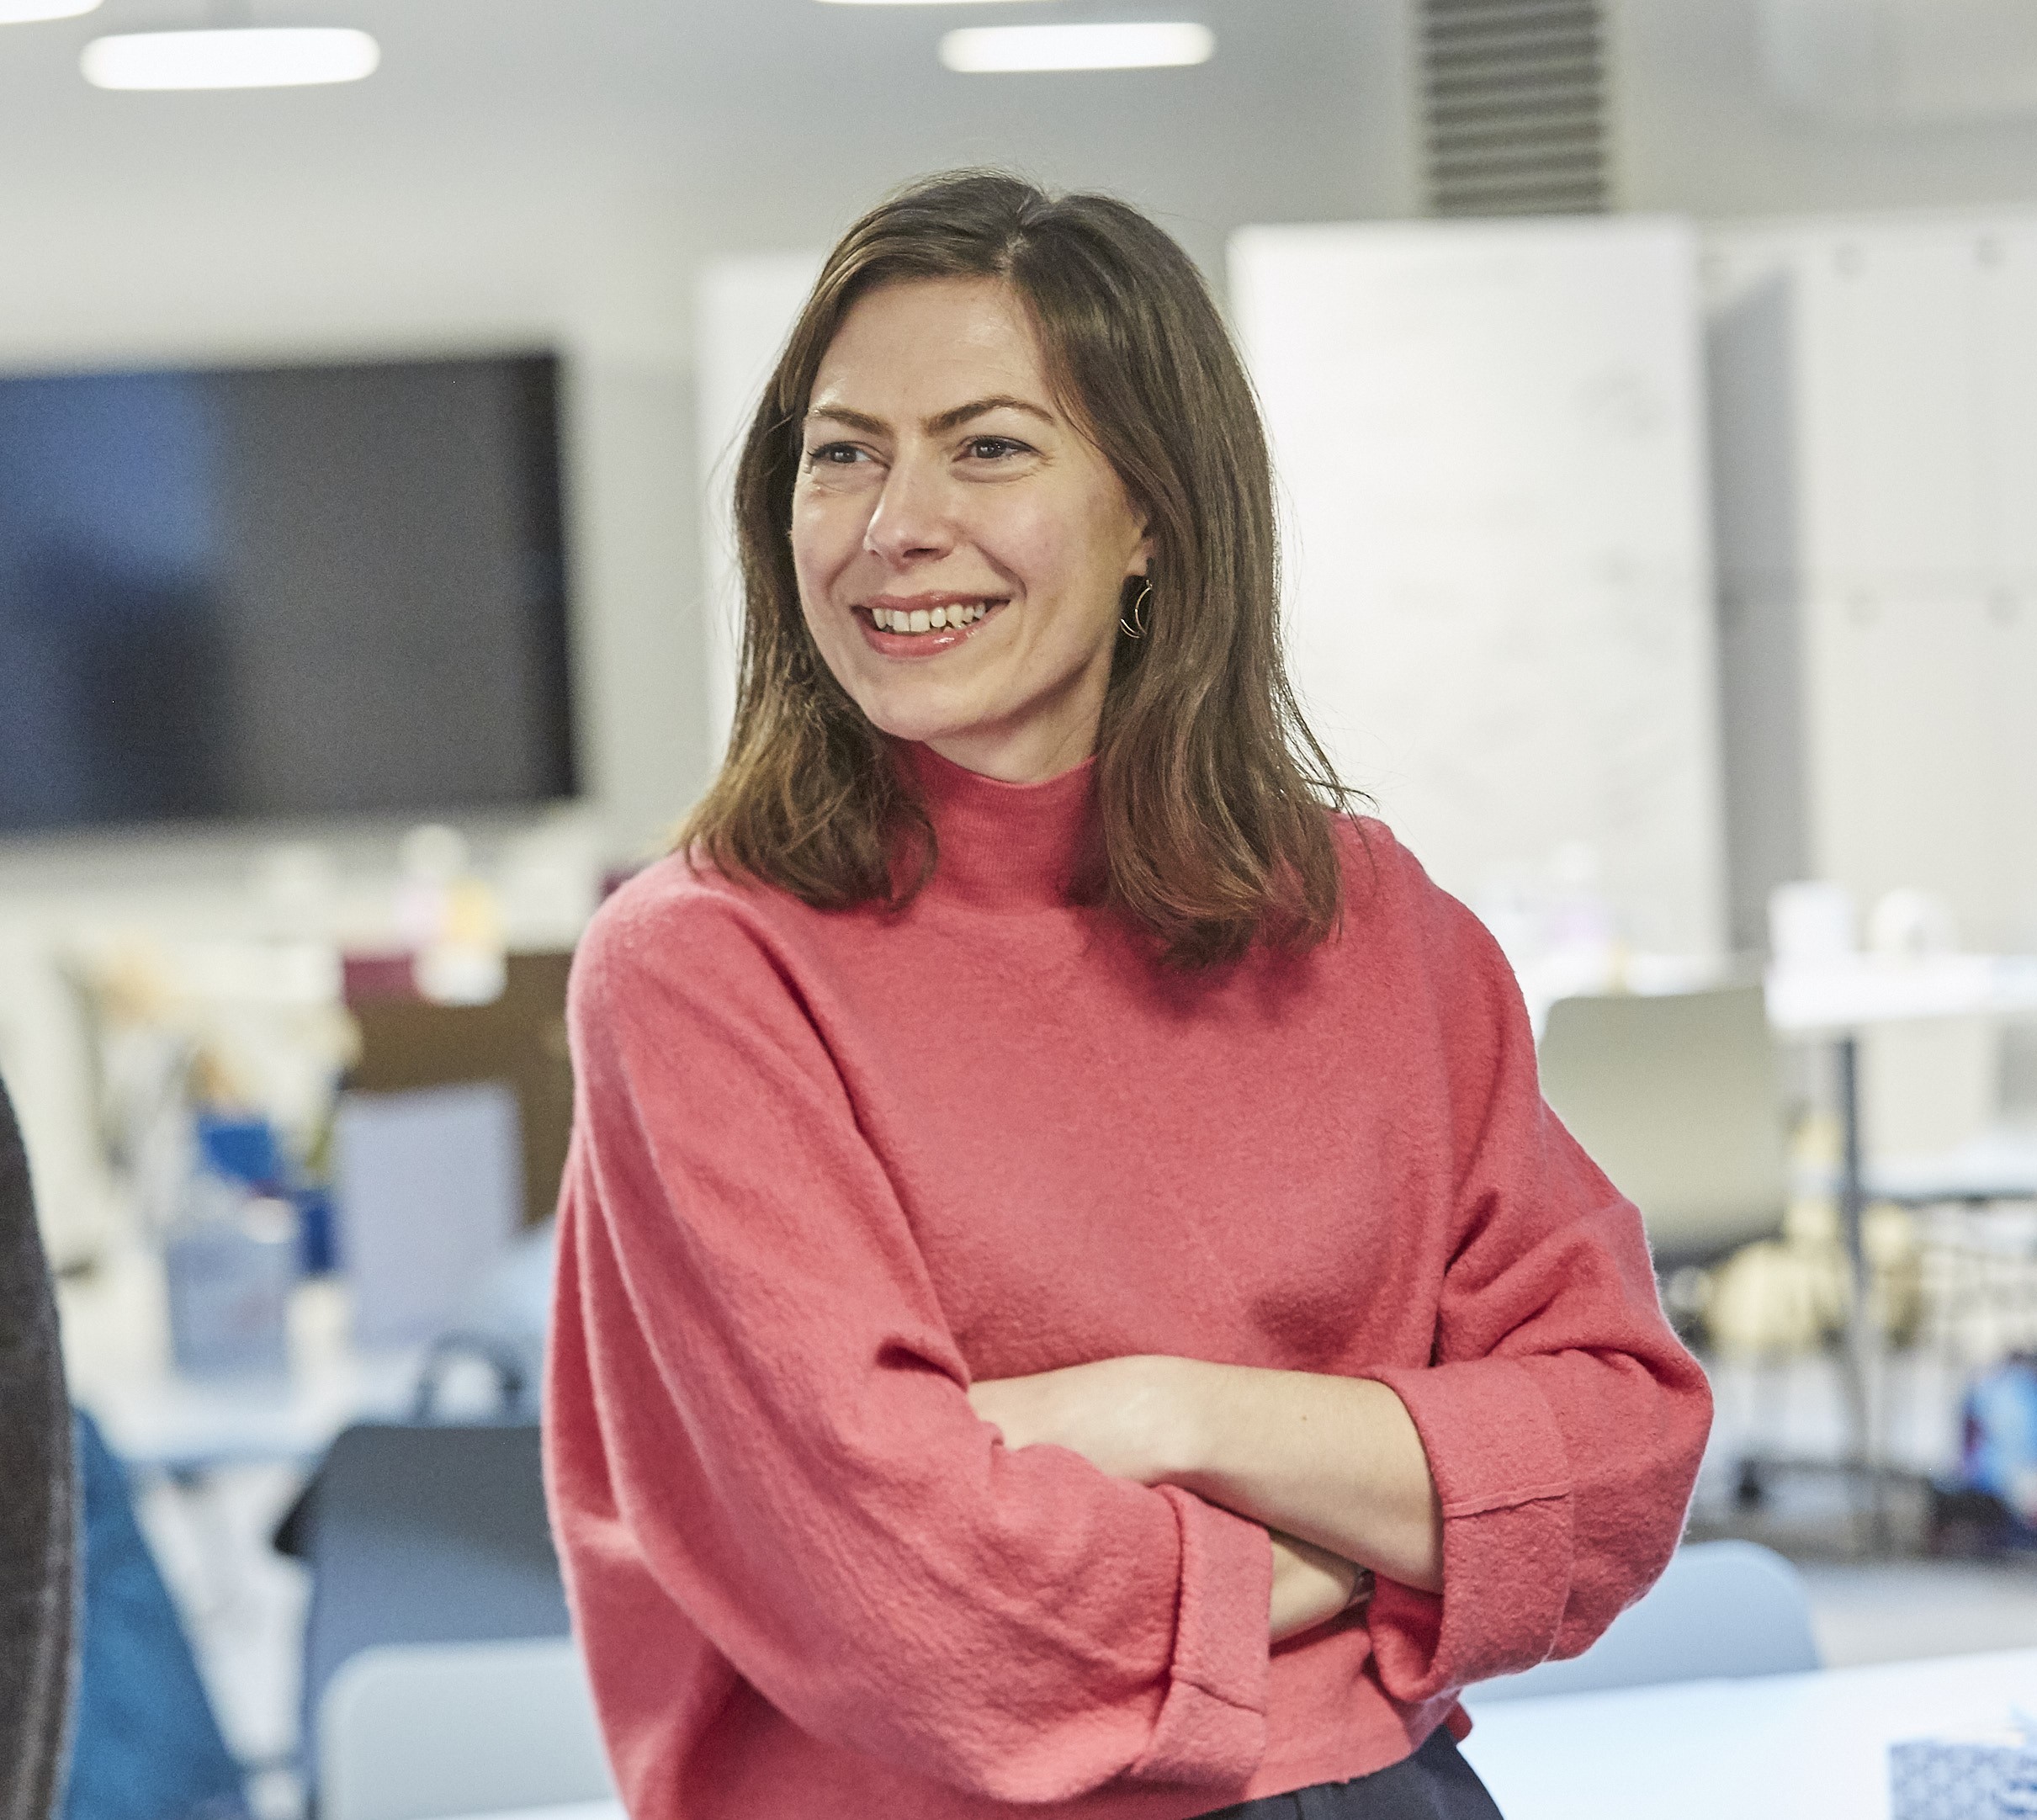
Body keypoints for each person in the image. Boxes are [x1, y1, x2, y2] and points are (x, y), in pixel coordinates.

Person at [544, 170, 1711, 1820]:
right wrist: (1388, 1533)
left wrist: (1153, 1415)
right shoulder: (704, 969)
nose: (893, 523)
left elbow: (1621, 1451)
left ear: (1149, 511)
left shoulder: (1367, 920)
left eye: (986, 446)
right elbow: (918, 1600)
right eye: (842, 452)